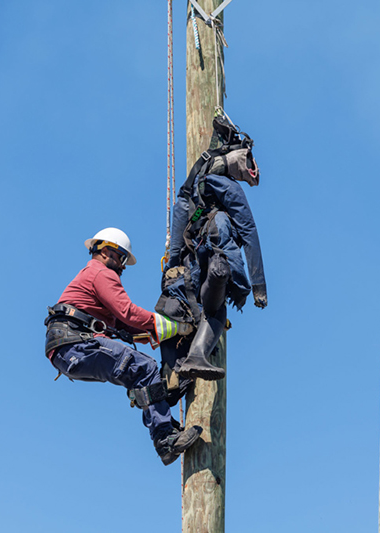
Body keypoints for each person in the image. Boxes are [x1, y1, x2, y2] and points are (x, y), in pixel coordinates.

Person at [44, 227, 201, 465]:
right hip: (75, 343)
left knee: (138, 373)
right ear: (106, 251)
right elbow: (127, 312)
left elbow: (123, 325)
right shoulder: (101, 273)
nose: (123, 267)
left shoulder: (91, 277)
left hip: (66, 350)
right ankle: (164, 438)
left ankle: (164, 421)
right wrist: (176, 326)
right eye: (122, 258)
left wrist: (161, 332)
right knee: (144, 367)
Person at [160, 116, 268, 383]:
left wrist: (173, 264)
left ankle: (184, 365)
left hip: (191, 262)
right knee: (216, 309)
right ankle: (197, 356)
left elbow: (179, 217)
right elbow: (249, 231)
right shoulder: (229, 188)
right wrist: (259, 286)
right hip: (215, 257)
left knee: (198, 306)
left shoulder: (194, 184)